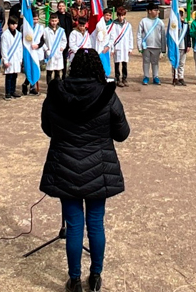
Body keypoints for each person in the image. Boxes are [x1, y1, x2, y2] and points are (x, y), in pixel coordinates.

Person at [39, 48, 130, 292]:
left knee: (74, 224)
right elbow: (122, 133)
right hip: (98, 167)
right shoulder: (108, 95)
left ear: (73, 67)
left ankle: (75, 280)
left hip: (66, 165)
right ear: (98, 68)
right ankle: (96, 276)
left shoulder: (56, 93)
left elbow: (47, 128)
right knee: (96, 223)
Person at [137, 3, 165, 85]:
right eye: (155, 10)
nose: (157, 12)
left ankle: (155, 76)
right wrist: (139, 46)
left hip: (157, 46)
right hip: (146, 46)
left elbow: (163, 36)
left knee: (155, 62)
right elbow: (139, 34)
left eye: (157, 10)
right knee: (146, 61)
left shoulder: (160, 22)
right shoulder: (143, 21)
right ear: (149, 11)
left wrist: (163, 49)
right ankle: (146, 76)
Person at [1, 17, 23, 99]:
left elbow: (20, 47)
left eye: (15, 24)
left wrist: (20, 59)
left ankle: (13, 91)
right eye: (12, 24)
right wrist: (5, 60)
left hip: (16, 58)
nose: (14, 26)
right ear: (9, 24)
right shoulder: (5, 35)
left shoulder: (19, 34)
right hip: (9, 58)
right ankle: (8, 92)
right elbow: (4, 48)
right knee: (9, 76)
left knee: (15, 75)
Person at [111, 7, 132, 87]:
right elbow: (112, 37)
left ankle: (124, 78)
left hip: (125, 47)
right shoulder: (114, 24)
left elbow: (130, 37)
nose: (121, 17)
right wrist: (112, 48)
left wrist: (130, 48)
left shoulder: (128, 25)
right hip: (117, 46)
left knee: (124, 63)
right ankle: (117, 78)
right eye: (119, 16)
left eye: (122, 16)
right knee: (117, 63)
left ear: (125, 15)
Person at [44, 14, 67, 82]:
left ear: (58, 21)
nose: (54, 22)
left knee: (57, 72)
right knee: (49, 72)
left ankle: (57, 88)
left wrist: (62, 47)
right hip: (50, 53)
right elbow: (42, 41)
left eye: (55, 21)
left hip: (58, 53)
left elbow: (64, 40)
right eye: (52, 21)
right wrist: (46, 49)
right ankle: (49, 88)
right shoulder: (46, 30)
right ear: (50, 21)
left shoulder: (61, 30)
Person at [172, 8, 190, 86]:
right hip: (176, 47)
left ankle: (181, 77)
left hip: (183, 46)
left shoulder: (185, 25)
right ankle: (175, 78)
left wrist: (189, 45)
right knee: (175, 63)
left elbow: (188, 36)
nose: (179, 16)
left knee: (182, 63)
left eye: (181, 15)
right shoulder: (173, 25)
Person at [55, 1, 74, 78]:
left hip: (66, 38)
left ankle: (64, 75)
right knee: (57, 58)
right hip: (57, 40)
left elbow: (70, 27)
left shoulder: (68, 16)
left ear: (65, 7)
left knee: (64, 58)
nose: (61, 8)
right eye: (59, 6)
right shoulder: (55, 15)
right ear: (57, 7)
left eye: (63, 6)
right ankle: (57, 75)